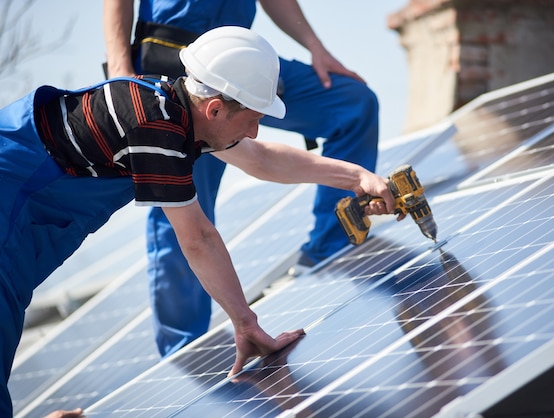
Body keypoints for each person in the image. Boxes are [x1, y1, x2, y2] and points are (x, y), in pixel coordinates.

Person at [0, 26, 394, 416]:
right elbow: (197, 239)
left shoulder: (173, 108)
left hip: (21, 224)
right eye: (253, 119)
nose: (254, 131)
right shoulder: (154, 127)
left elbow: (262, 159)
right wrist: (245, 322)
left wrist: (356, 177)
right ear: (216, 108)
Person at [103, 0, 380, 358]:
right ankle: (186, 354)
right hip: (172, 63)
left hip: (245, 65)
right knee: (185, 215)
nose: (254, 133)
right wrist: (120, 68)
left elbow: (261, 158)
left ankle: (329, 251)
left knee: (353, 102)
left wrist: (316, 47)